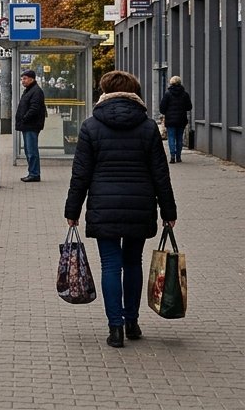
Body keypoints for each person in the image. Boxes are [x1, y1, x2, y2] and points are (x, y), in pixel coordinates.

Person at [65, 70, 178, 349]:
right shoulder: (148, 126)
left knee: (110, 265)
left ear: (104, 91)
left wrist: (72, 209)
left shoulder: (91, 126)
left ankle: (115, 328)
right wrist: (169, 211)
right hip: (139, 204)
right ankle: (132, 322)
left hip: (104, 204)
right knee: (133, 263)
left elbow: (81, 174)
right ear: (134, 92)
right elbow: (160, 173)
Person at [15, 69, 47, 182]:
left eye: (24, 78)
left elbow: (34, 109)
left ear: (31, 79)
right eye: (22, 79)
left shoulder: (36, 91)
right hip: (28, 125)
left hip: (31, 125)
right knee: (29, 150)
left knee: (31, 151)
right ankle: (32, 172)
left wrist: (24, 118)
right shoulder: (30, 90)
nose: (22, 81)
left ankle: (34, 174)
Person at [158, 75, 192, 163]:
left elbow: (162, 108)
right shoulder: (185, 94)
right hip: (181, 119)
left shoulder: (167, 94)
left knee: (171, 137)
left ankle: (172, 156)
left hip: (170, 120)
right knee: (179, 138)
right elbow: (189, 107)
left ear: (171, 83)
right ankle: (179, 157)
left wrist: (167, 113)